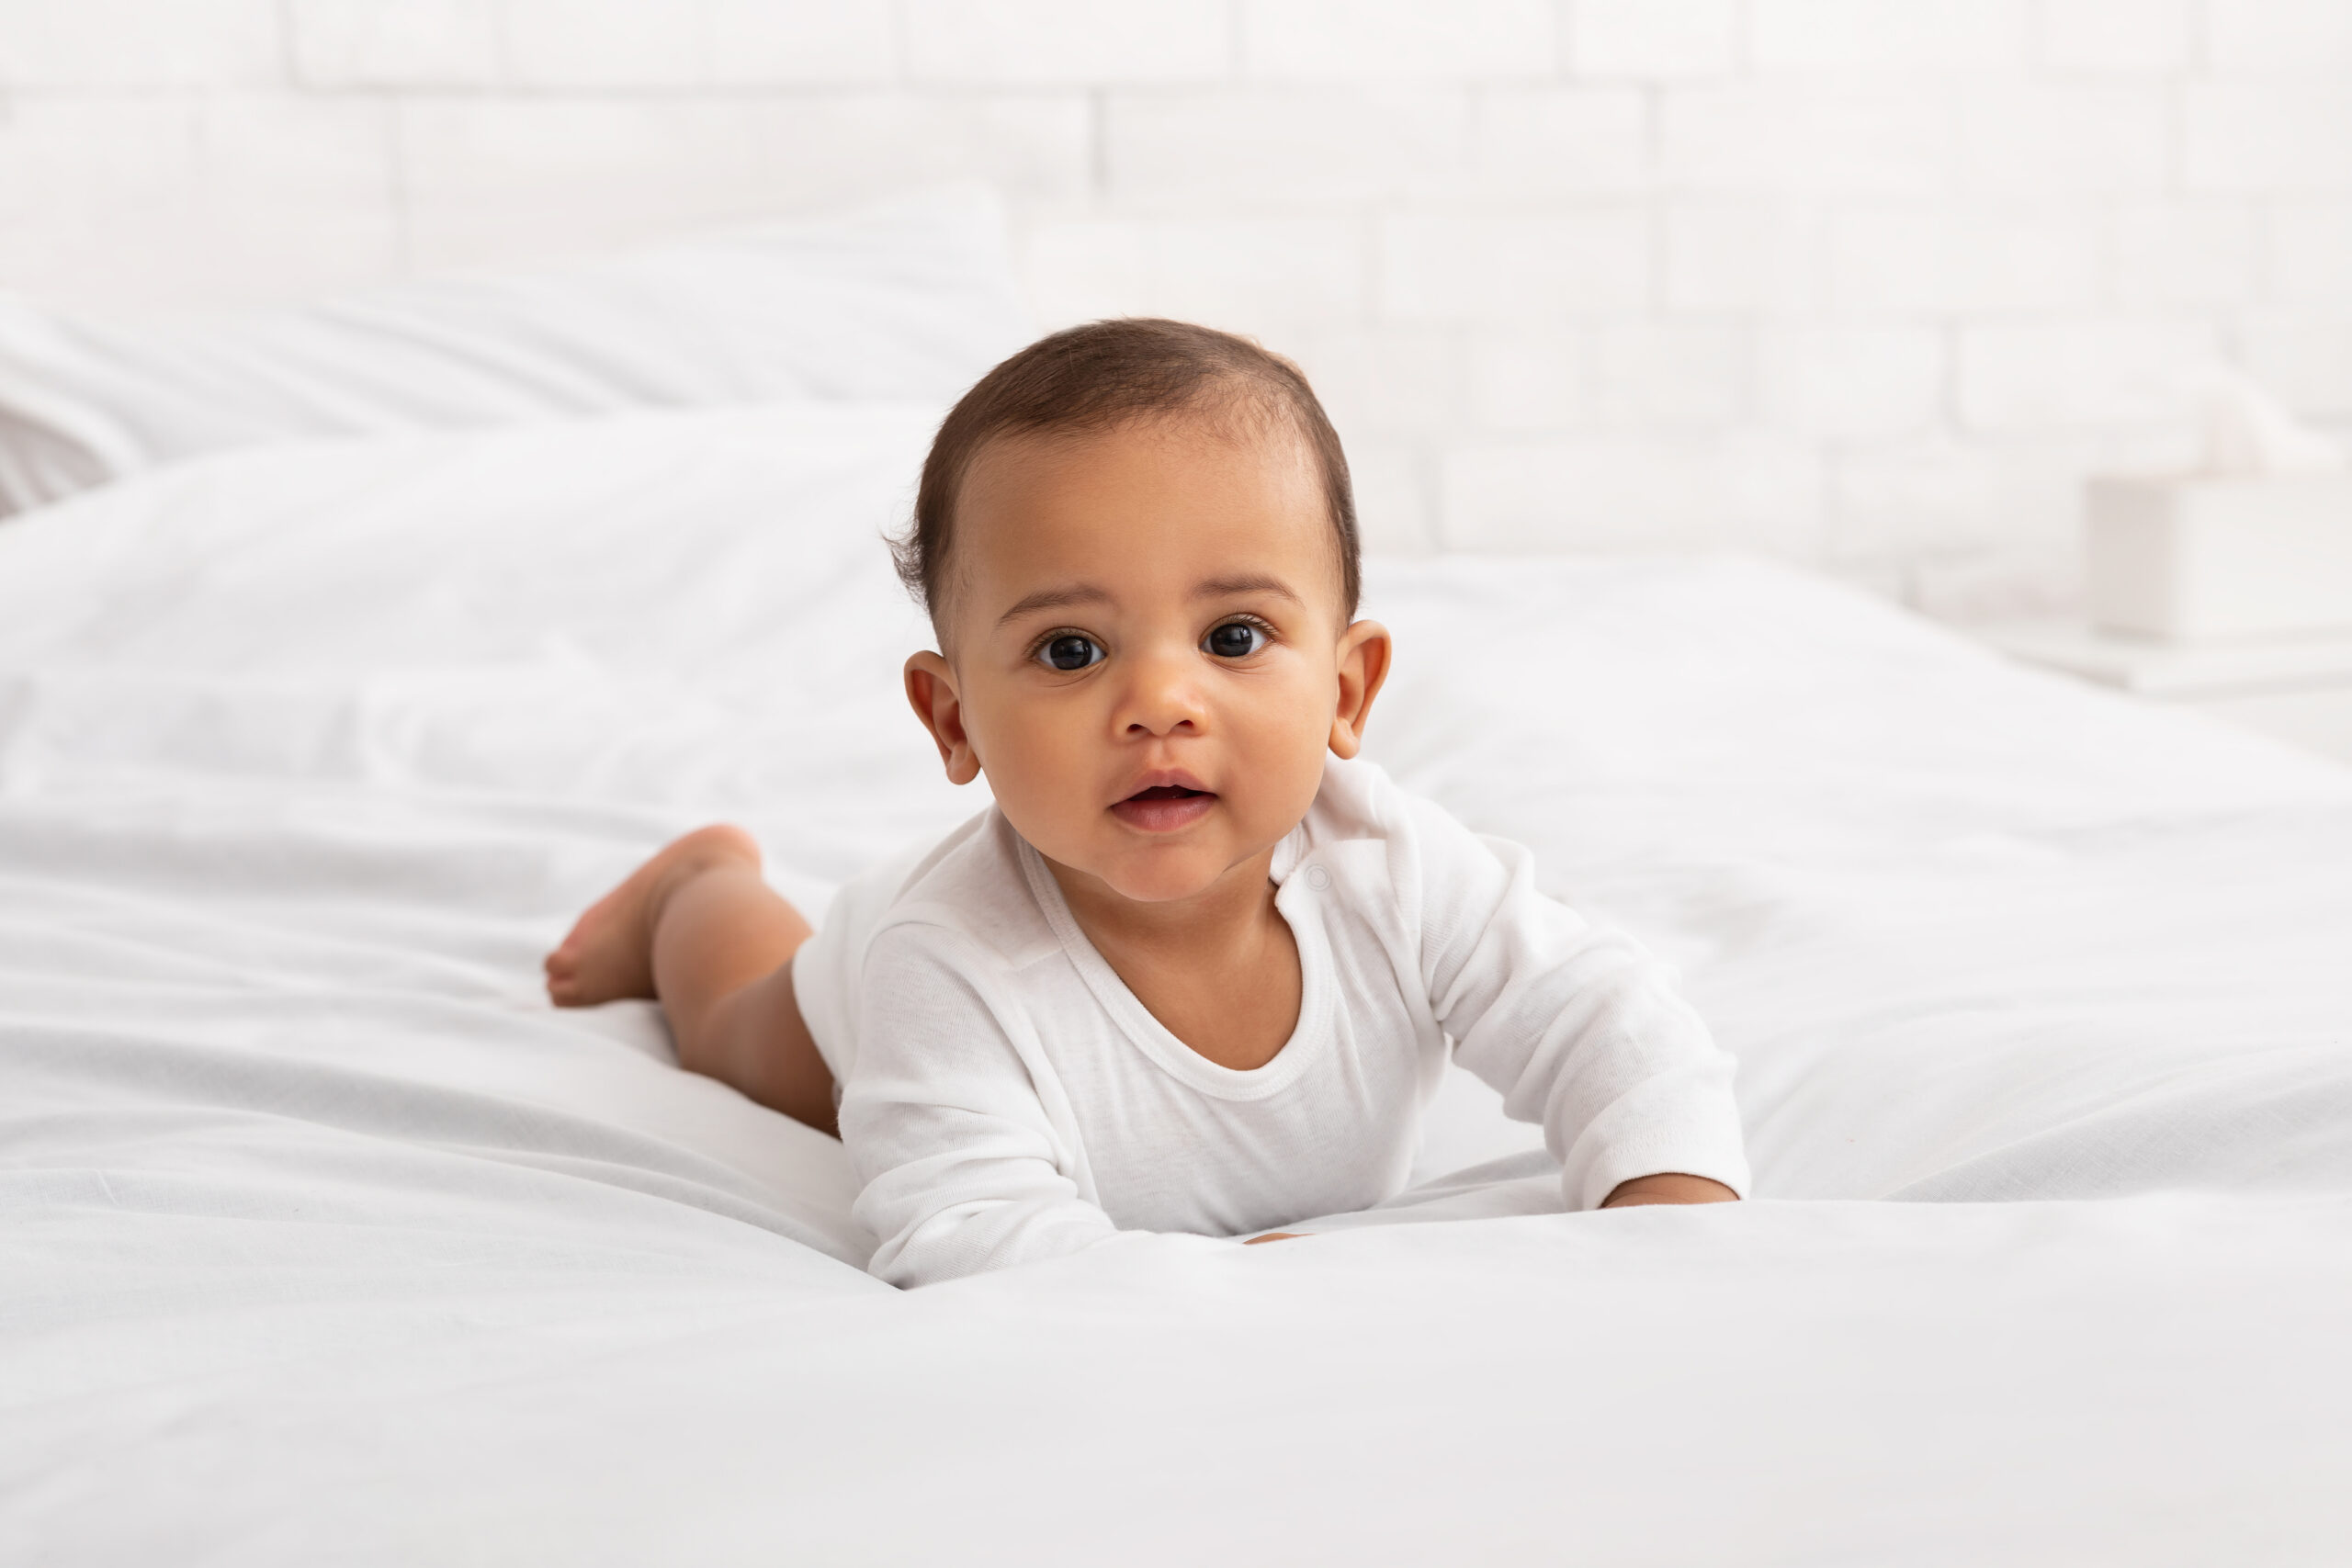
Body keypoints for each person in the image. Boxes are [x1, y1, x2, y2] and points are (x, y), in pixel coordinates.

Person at [546, 319, 1747, 1287]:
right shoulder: (945, 961)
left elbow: (1611, 1025)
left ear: (1346, 688)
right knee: (730, 1025)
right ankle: (696, 884)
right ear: (955, 721)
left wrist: (1668, 1209)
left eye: (1233, 636)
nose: (1160, 701)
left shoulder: (1399, 870)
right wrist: (1223, 1293)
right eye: (1071, 650)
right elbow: (968, 1230)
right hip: (839, 1002)